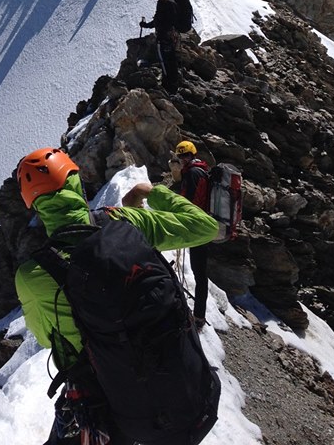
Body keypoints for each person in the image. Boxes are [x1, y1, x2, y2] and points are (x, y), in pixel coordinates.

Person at [15, 147, 219, 445]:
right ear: (76, 182)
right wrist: (154, 192)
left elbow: (51, 340)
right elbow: (206, 227)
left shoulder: (33, 275)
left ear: (34, 204)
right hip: (175, 379)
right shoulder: (127, 222)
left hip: (101, 402)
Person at [172, 140, 212, 328]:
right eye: (180, 156)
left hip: (197, 227)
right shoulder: (201, 171)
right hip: (203, 225)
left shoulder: (192, 174)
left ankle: (198, 317)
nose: (182, 159)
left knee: (199, 273)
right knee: (200, 272)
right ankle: (199, 315)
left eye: (184, 156)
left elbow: (187, 201)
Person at [140, 0, 180, 92]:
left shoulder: (169, 4)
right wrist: (147, 25)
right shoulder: (162, 2)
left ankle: (169, 86)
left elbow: (168, 21)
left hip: (166, 38)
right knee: (168, 60)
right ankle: (171, 83)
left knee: (166, 61)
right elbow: (158, 19)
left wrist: (162, 29)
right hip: (166, 37)